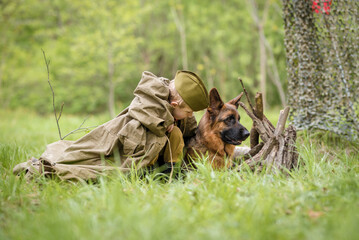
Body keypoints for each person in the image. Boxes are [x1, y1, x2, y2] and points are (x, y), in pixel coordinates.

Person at [13, 70, 209, 181]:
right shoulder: (149, 112)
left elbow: (188, 133)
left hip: (144, 156)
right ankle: (42, 168)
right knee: (87, 165)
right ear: (174, 105)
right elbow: (131, 158)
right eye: (189, 112)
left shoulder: (169, 115)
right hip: (115, 149)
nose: (190, 116)